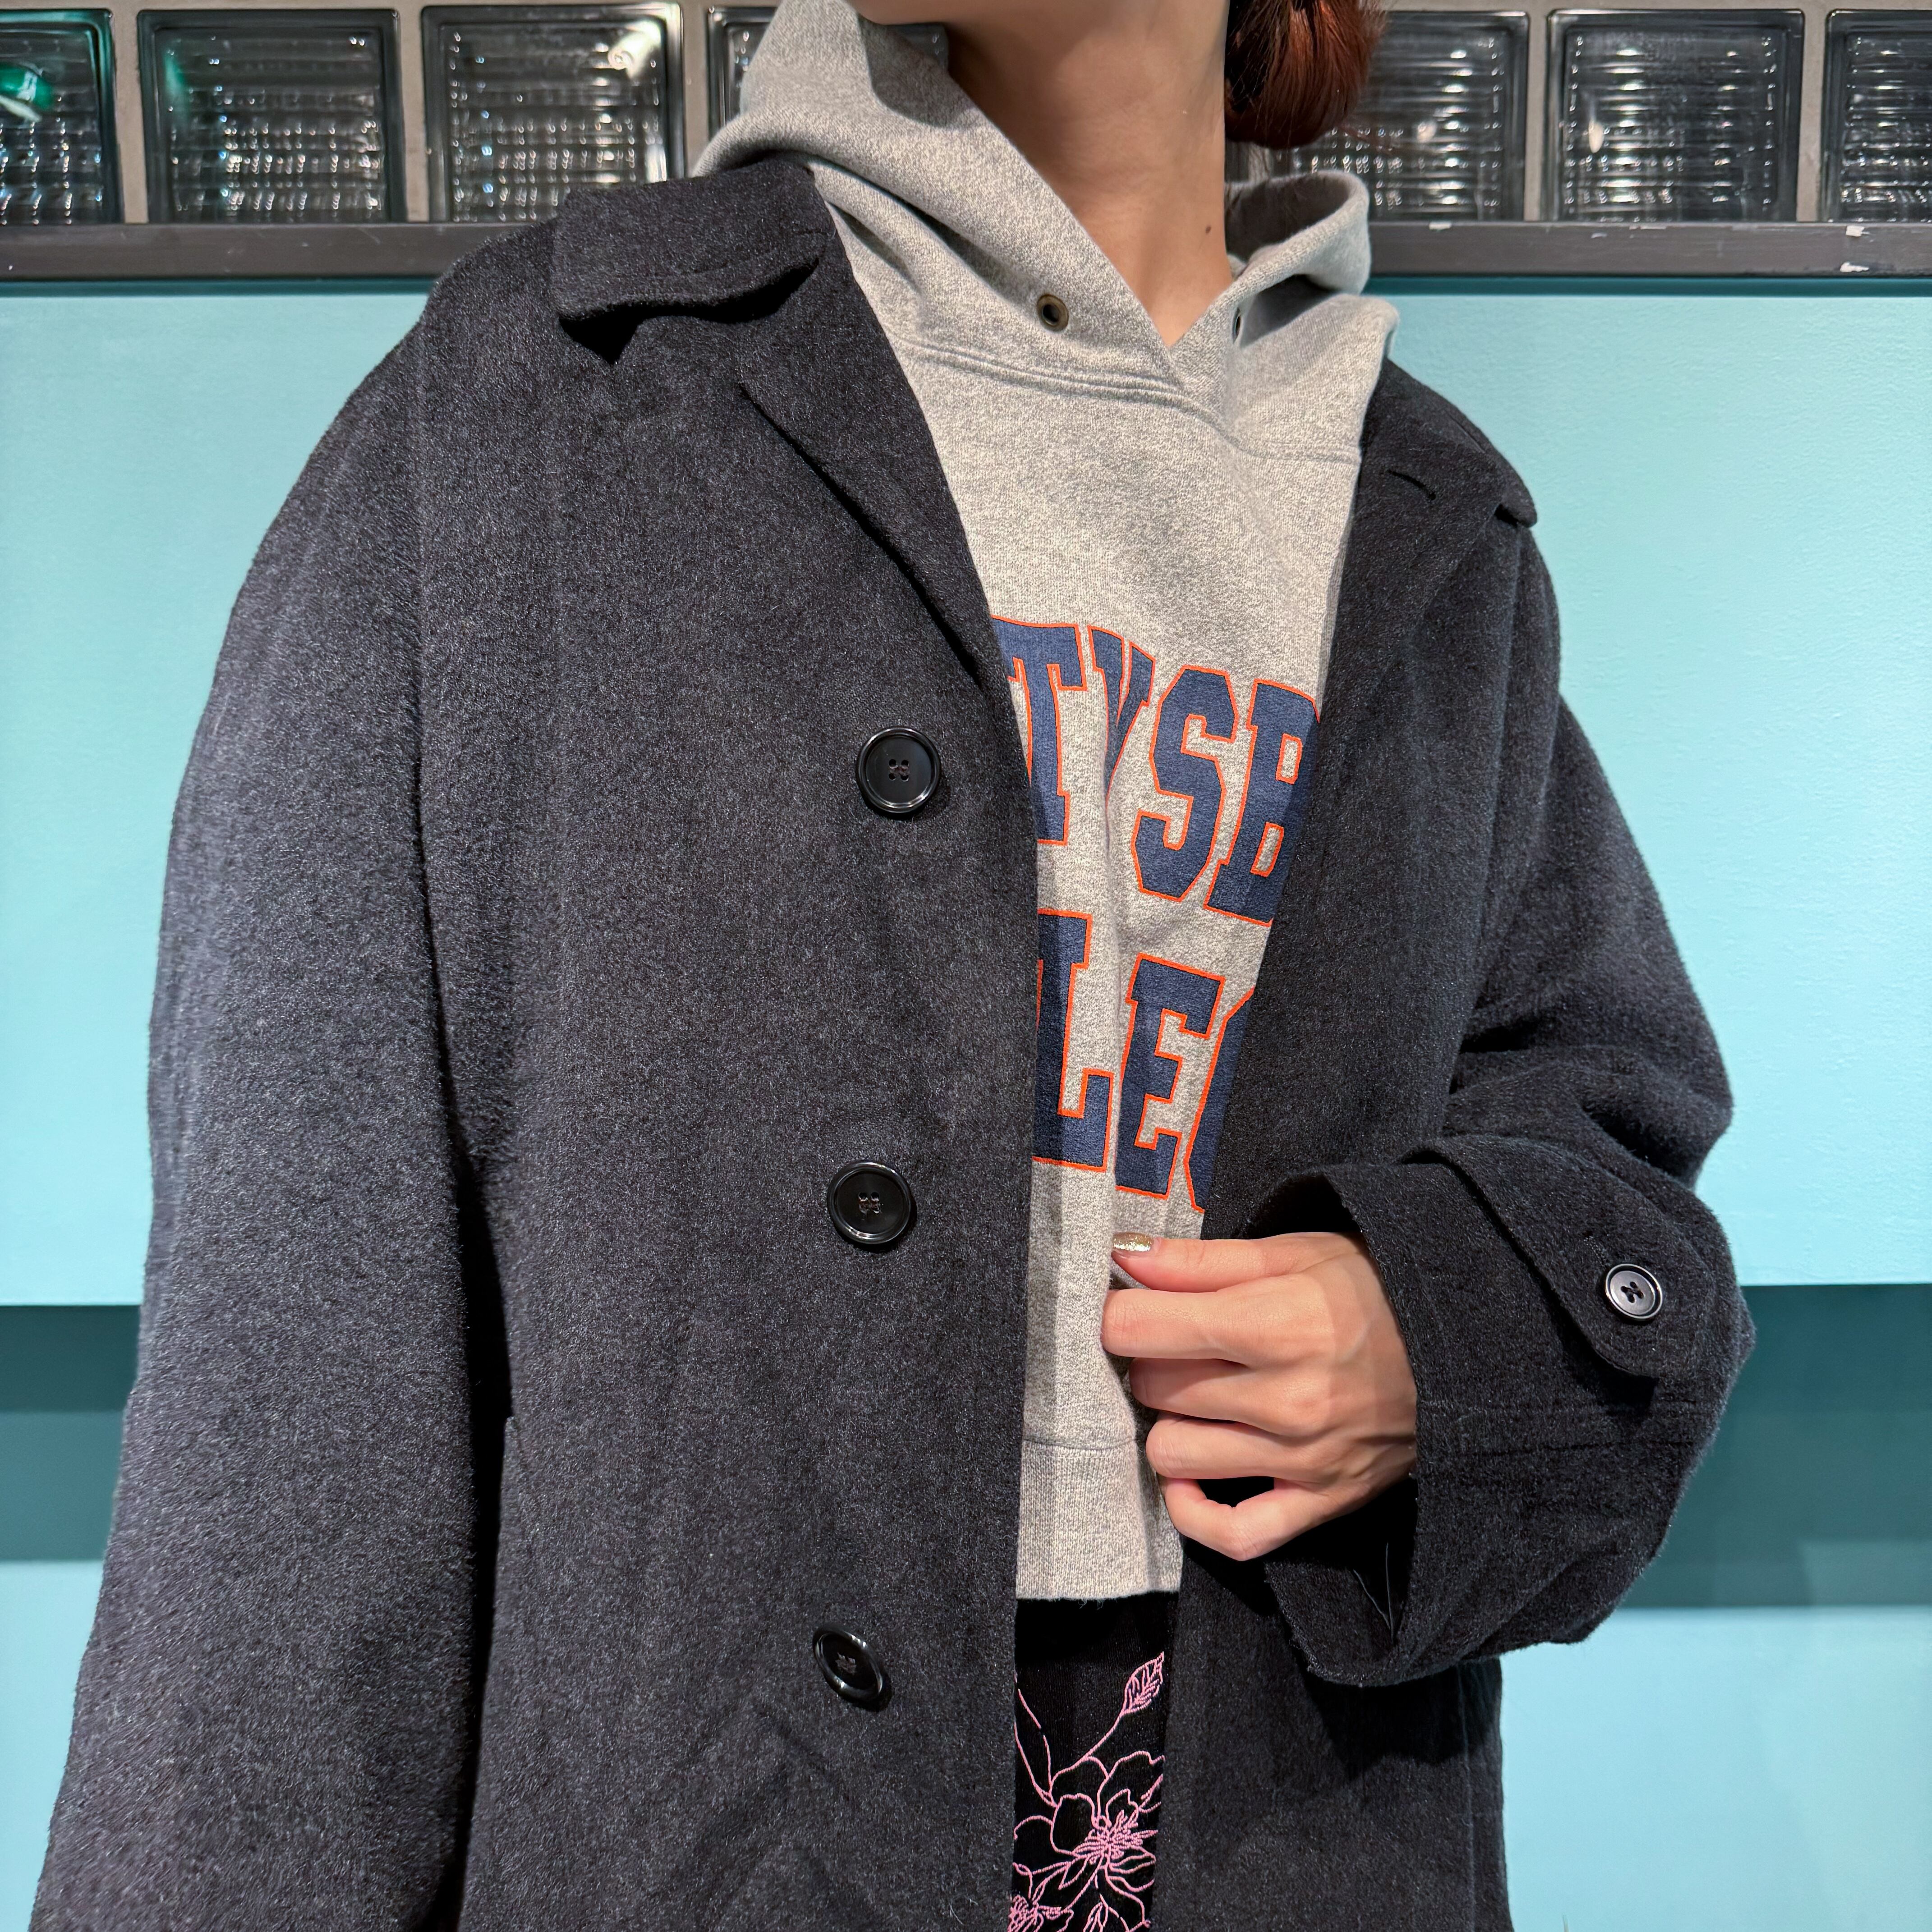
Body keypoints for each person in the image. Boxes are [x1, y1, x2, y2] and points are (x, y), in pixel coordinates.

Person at [33, 0, 1750, 1926]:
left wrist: (1435, 1330)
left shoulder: (1424, 513)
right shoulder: (549, 406)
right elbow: (289, 1367)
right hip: (708, 1830)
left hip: (1294, 1821)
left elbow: (1604, 1138)